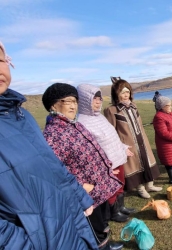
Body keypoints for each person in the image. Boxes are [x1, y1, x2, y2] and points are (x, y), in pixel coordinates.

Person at [0, 41, 99, 250]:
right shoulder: (52, 129)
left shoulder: (21, 115)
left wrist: (79, 196)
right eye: (67, 101)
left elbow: (52, 164)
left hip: (69, 223)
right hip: (40, 240)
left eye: (1, 59)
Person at [42, 83, 123, 250]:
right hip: (85, 193)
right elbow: (55, 171)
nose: (73, 106)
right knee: (94, 229)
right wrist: (80, 186)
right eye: (68, 101)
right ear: (53, 105)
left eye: (75, 101)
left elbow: (94, 148)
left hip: (98, 186)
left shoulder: (75, 124)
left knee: (102, 222)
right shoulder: (52, 134)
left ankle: (107, 244)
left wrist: (106, 167)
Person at [77, 84, 138, 223]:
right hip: (107, 164)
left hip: (117, 158)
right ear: (85, 100)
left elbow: (112, 137)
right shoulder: (81, 122)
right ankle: (113, 212)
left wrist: (123, 148)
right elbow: (91, 149)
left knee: (120, 185)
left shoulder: (100, 117)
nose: (98, 101)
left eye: (99, 98)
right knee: (111, 189)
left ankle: (121, 207)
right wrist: (104, 167)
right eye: (94, 98)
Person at [104, 79, 161, 199]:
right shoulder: (112, 110)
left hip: (142, 140)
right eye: (123, 92)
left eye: (127, 92)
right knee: (135, 165)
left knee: (147, 161)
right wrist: (120, 146)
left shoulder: (133, 107)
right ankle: (140, 188)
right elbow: (111, 131)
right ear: (116, 94)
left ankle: (150, 185)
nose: (126, 95)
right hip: (128, 143)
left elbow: (139, 124)